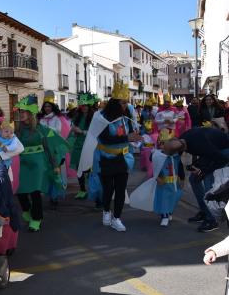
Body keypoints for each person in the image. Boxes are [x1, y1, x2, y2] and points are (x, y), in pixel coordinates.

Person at [77, 82, 142, 232]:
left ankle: (117, 218)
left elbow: (131, 134)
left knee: (120, 189)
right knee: (108, 189)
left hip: (123, 158)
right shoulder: (101, 118)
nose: (126, 106)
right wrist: (128, 138)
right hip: (106, 159)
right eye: (123, 102)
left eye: (127, 102)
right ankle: (106, 210)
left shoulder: (126, 118)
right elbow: (105, 139)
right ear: (115, 103)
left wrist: (137, 140)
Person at [15, 95, 70, 231]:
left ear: (31, 113)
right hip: (22, 163)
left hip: (38, 164)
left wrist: (55, 165)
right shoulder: (16, 130)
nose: (21, 114)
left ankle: (36, 219)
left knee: (35, 192)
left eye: (24, 112)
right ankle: (26, 210)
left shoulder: (42, 130)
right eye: (20, 112)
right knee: (20, 191)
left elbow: (50, 149)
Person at [164, 127, 229, 232]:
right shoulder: (181, 140)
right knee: (194, 179)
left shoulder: (200, 145)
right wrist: (181, 177)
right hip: (212, 148)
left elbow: (221, 159)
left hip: (223, 151)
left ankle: (212, 220)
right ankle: (205, 211)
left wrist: (203, 171)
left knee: (209, 185)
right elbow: (177, 160)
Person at [130, 130, 184, 227]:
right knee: (163, 199)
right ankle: (164, 216)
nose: (163, 146)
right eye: (161, 143)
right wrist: (157, 177)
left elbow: (180, 167)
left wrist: (182, 178)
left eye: (166, 144)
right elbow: (155, 166)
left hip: (174, 183)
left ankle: (169, 213)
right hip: (162, 183)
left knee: (173, 198)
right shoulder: (157, 155)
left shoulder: (176, 156)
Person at [39, 92, 71, 209]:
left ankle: (55, 195)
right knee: (47, 171)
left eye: (49, 106)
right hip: (44, 148)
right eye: (45, 106)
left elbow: (58, 131)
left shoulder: (57, 118)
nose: (47, 108)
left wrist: (47, 129)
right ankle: (50, 194)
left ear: (52, 107)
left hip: (54, 148)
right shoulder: (41, 119)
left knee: (55, 170)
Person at [69, 93, 95, 199]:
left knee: (88, 168)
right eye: (82, 105)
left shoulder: (94, 116)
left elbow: (95, 132)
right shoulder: (77, 116)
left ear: (89, 106)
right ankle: (82, 189)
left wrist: (82, 131)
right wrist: (75, 131)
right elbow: (74, 128)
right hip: (78, 145)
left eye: (86, 105)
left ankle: (92, 188)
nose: (84, 107)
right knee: (79, 168)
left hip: (89, 145)